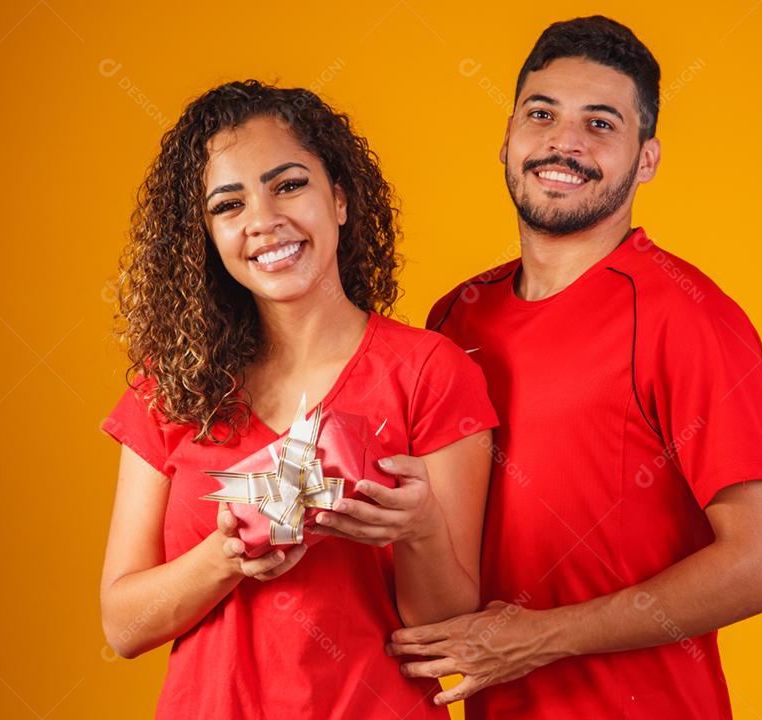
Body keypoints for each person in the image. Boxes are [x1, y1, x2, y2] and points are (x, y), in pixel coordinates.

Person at [386, 16, 762, 719]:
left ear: (646, 159)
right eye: (541, 113)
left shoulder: (686, 314)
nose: (564, 141)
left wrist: (541, 638)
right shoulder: (455, 317)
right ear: (508, 140)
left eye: (601, 124)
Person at [98, 80, 497, 719]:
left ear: (339, 199)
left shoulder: (430, 372)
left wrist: (420, 531)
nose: (262, 220)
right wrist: (228, 553)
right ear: (205, 235)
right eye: (229, 205)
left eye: (288, 185)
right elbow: (123, 625)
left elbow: (447, 634)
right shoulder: (171, 384)